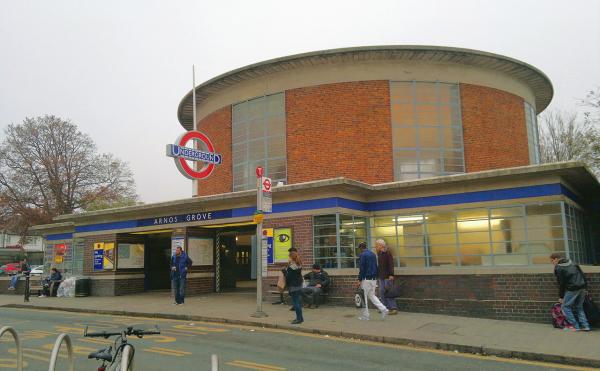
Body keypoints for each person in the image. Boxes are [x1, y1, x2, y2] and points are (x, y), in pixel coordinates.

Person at [550, 253, 590, 332]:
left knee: (565, 307)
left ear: (556, 259)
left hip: (572, 288)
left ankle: (575, 326)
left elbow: (561, 283)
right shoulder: (572, 262)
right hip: (582, 287)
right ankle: (586, 326)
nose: (552, 263)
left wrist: (561, 296)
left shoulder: (558, 267)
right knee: (579, 307)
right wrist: (585, 287)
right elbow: (582, 275)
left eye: (552, 261)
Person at [355, 242, 388, 320]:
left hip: (366, 279)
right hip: (374, 279)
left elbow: (362, 268)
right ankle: (384, 309)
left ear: (360, 248)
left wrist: (359, 279)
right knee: (372, 296)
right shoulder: (372, 254)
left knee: (364, 298)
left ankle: (366, 316)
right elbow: (376, 266)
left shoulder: (363, 255)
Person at [375, 239, 398, 315]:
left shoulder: (387, 253)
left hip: (387, 276)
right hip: (381, 276)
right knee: (381, 292)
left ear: (381, 245)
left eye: (377, 245)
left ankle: (393, 308)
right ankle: (384, 307)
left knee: (389, 292)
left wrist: (391, 274)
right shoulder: (380, 253)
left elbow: (391, 264)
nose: (376, 247)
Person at [283, 247, 304, 324]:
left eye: (289, 255)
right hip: (298, 284)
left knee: (296, 303)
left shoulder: (292, 265)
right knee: (297, 302)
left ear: (291, 256)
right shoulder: (299, 263)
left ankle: (299, 319)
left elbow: (289, 276)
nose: (288, 256)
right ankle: (300, 318)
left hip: (293, 285)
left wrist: (284, 271)